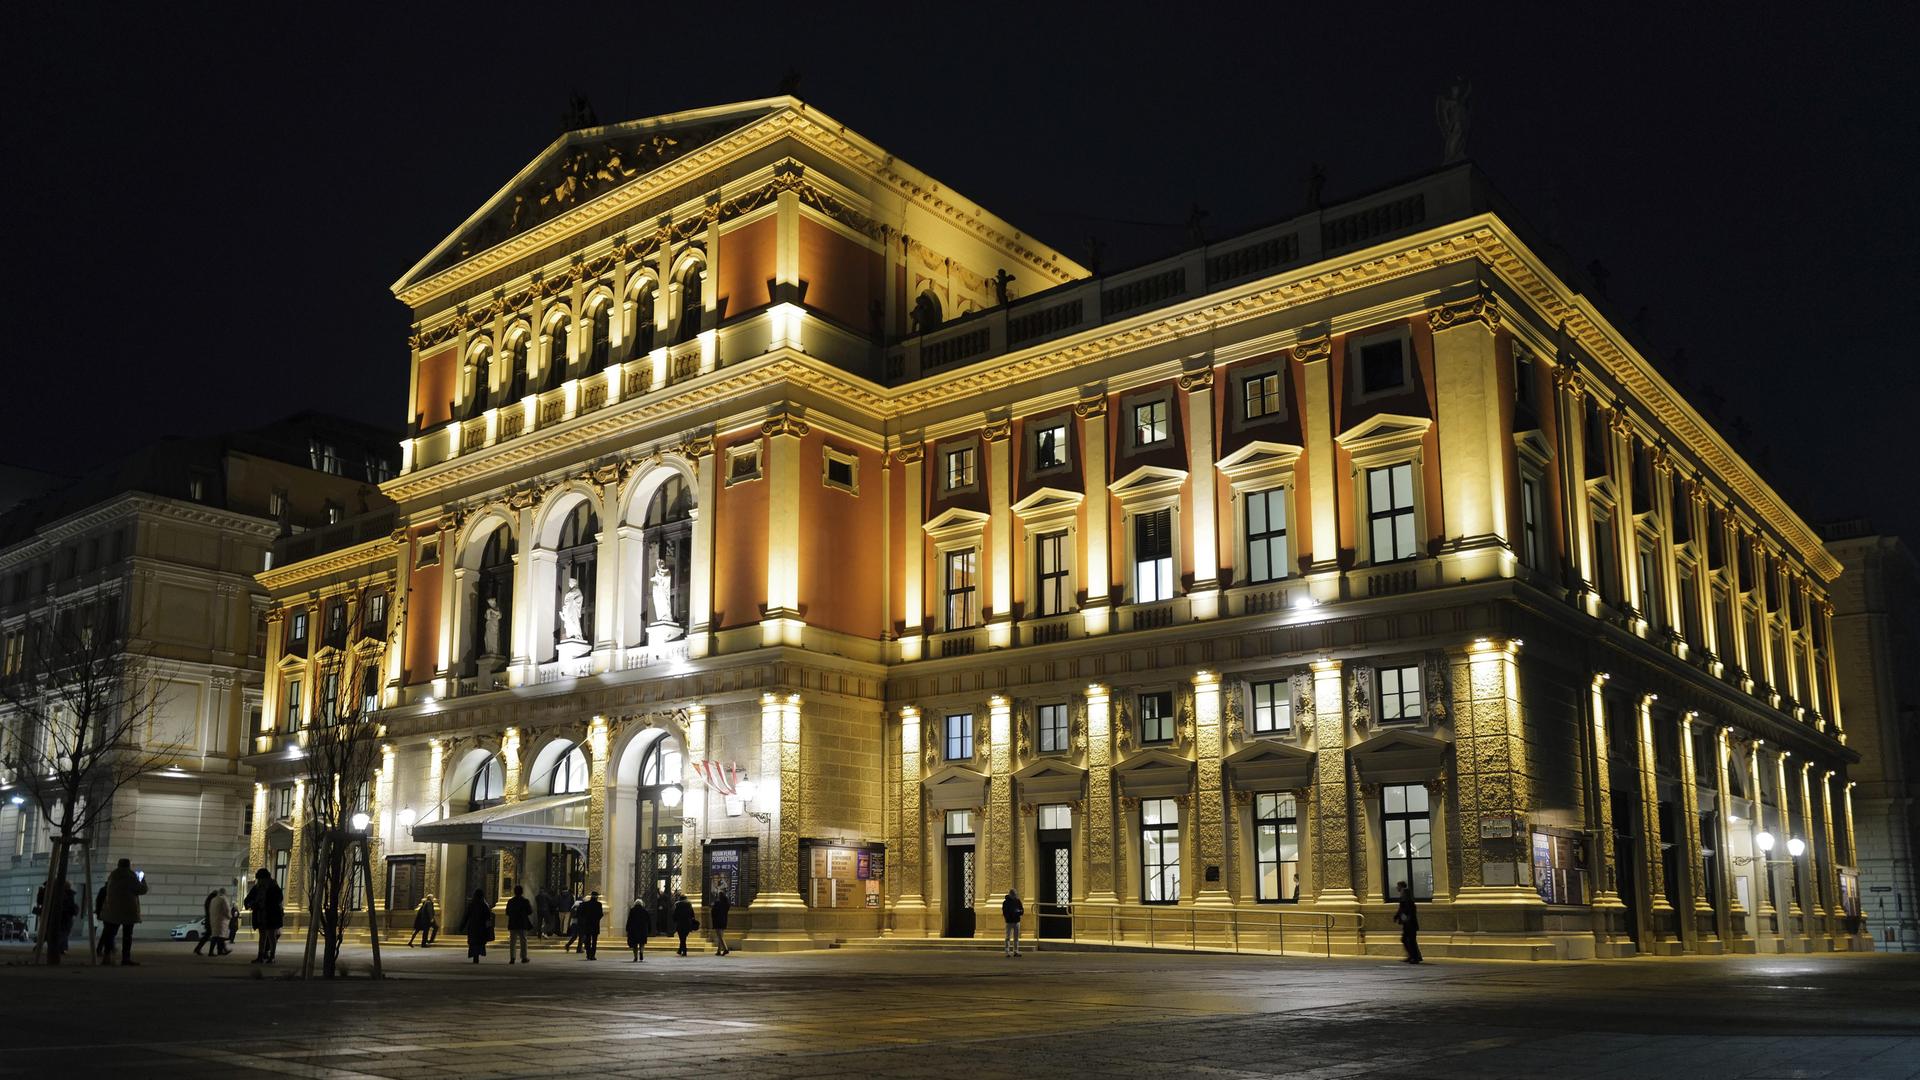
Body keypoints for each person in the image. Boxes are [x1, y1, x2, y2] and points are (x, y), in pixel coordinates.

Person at [100, 858, 148, 965]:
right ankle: (125, 958)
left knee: (110, 934)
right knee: (127, 936)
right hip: (128, 910)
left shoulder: (113, 876)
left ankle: (107, 956)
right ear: (128, 865)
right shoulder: (130, 876)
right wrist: (142, 879)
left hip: (112, 910)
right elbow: (142, 890)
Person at [244, 868, 284, 964]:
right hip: (261, 914)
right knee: (262, 935)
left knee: (271, 935)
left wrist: (263, 903)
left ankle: (272, 956)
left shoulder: (273, 887)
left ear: (266, 878)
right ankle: (260, 956)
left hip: (270, 915)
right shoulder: (257, 887)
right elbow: (248, 898)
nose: (260, 881)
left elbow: (278, 899)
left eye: (261, 879)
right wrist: (250, 904)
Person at [44, 880, 77, 965]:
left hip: (61, 917)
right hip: (64, 917)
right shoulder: (67, 894)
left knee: (61, 933)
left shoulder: (56, 893)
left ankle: (59, 948)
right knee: (63, 933)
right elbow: (70, 905)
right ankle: (58, 949)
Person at [460, 888, 493, 963]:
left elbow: (466, 916)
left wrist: (462, 926)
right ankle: (477, 955)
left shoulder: (471, 904)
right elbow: (488, 916)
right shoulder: (484, 905)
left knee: (473, 942)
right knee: (479, 942)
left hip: (472, 926)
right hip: (481, 927)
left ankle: (474, 956)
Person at [1394, 880, 1423, 964]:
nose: (1397, 888)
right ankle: (1414, 956)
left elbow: (1404, 909)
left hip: (1409, 923)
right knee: (1408, 939)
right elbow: (1402, 909)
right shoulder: (1406, 898)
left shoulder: (1406, 898)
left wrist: (1402, 917)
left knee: (1409, 940)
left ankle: (1414, 957)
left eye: (1398, 886)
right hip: (1408, 923)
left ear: (1401, 887)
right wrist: (1397, 916)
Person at [505, 884, 533, 964]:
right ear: (522, 892)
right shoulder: (525, 901)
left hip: (513, 923)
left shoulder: (510, 901)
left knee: (512, 941)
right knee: (523, 941)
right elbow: (530, 911)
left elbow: (507, 912)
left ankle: (512, 958)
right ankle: (523, 957)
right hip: (522, 923)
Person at [575, 890, 605, 960]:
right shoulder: (598, 904)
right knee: (594, 941)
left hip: (587, 924)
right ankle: (593, 955)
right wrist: (596, 920)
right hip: (595, 925)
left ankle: (588, 954)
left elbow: (581, 913)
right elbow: (600, 914)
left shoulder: (586, 904)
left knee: (588, 940)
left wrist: (585, 920)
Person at [207, 889, 233, 956]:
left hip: (214, 919)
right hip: (221, 920)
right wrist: (229, 916)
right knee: (218, 936)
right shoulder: (223, 899)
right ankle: (212, 951)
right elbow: (226, 909)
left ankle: (221, 950)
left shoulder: (213, 899)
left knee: (217, 936)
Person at [193, 888, 218, 955]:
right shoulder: (211, 901)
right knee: (215, 935)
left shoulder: (208, 900)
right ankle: (214, 951)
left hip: (208, 920)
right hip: (210, 920)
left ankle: (198, 948)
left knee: (208, 936)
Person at [670, 891, 696, 956]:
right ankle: (680, 950)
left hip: (680, 923)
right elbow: (692, 914)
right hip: (687, 923)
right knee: (683, 938)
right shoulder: (689, 905)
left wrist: (674, 920)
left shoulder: (677, 905)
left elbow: (675, 915)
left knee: (682, 938)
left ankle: (684, 951)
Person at [1001, 888, 1025, 957]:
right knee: (1008, 937)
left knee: (1016, 937)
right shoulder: (1006, 902)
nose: (1015, 896)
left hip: (1017, 921)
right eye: (1014, 894)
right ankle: (1007, 951)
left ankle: (1015, 951)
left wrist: (1019, 912)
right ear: (1010, 894)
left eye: (1015, 894)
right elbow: (1005, 912)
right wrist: (1009, 916)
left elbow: (1022, 910)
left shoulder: (1018, 901)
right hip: (1009, 922)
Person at [710, 890, 732, 956]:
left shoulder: (717, 902)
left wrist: (712, 906)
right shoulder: (726, 903)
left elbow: (713, 911)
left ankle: (725, 949)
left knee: (719, 936)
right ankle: (718, 950)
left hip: (717, 920)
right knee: (721, 936)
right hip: (724, 920)